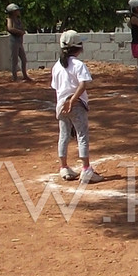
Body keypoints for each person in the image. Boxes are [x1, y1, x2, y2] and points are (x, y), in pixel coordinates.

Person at [51, 30, 103, 184]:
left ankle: (64, 167)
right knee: (82, 135)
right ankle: (86, 170)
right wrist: (73, 100)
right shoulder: (78, 65)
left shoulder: (56, 66)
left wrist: (66, 103)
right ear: (79, 47)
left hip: (61, 105)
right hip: (75, 104)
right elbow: (83, 84)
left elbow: (56, 87)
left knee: (64, 135)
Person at [5, 3, 29, 81]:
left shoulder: (18, 20)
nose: (18, 12)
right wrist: (19, 32)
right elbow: (10, 28)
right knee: (14, 60)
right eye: (17, 10)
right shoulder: (10, 19)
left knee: (24, 59)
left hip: (19, 41)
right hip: (13, 41)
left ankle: (25, 75)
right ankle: (14, 77)